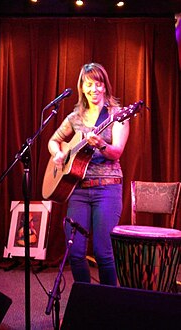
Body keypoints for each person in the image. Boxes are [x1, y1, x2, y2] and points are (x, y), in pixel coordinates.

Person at [48, 62, 129, 285]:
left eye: (98, 84)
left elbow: (117, 152)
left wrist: (102, 144)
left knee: (103, 254)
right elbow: (53, 141)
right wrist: (57, 154)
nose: (94, 89)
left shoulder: (117, 115)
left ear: (105, 86)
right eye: (89, 84)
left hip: (107, 189)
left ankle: (109, 308)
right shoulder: (75, 117)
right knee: (75, 254)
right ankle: (86, 304)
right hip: (78, 190)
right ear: (82, 88)